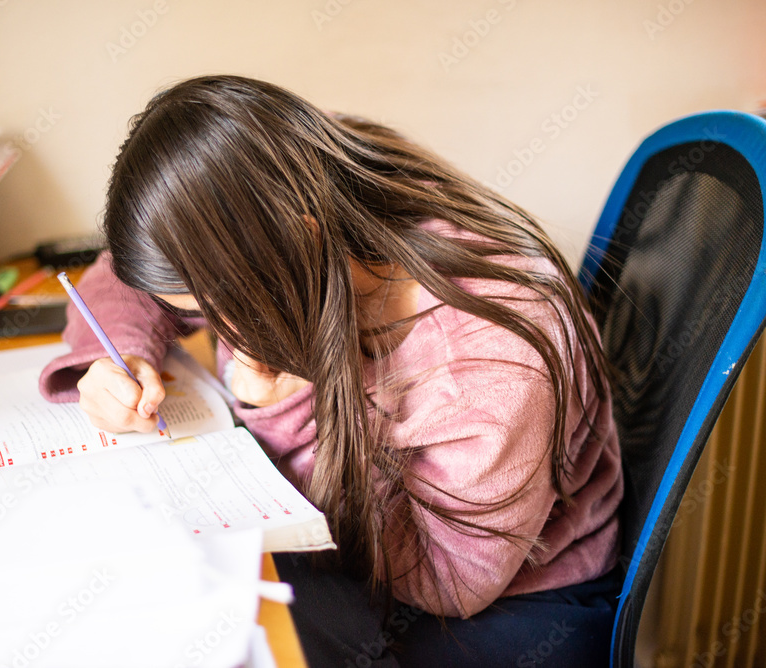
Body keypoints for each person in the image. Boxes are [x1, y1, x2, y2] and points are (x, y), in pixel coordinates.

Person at [39, 74, 623, 666]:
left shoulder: (490, 359)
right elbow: (130, 267)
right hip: (365, 540)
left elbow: (448, 581)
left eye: (216, 309)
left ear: (298, 245)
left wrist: (280, 411)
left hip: (501, 603)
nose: (213, 328)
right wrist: (121, 354)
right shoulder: (298, 172)